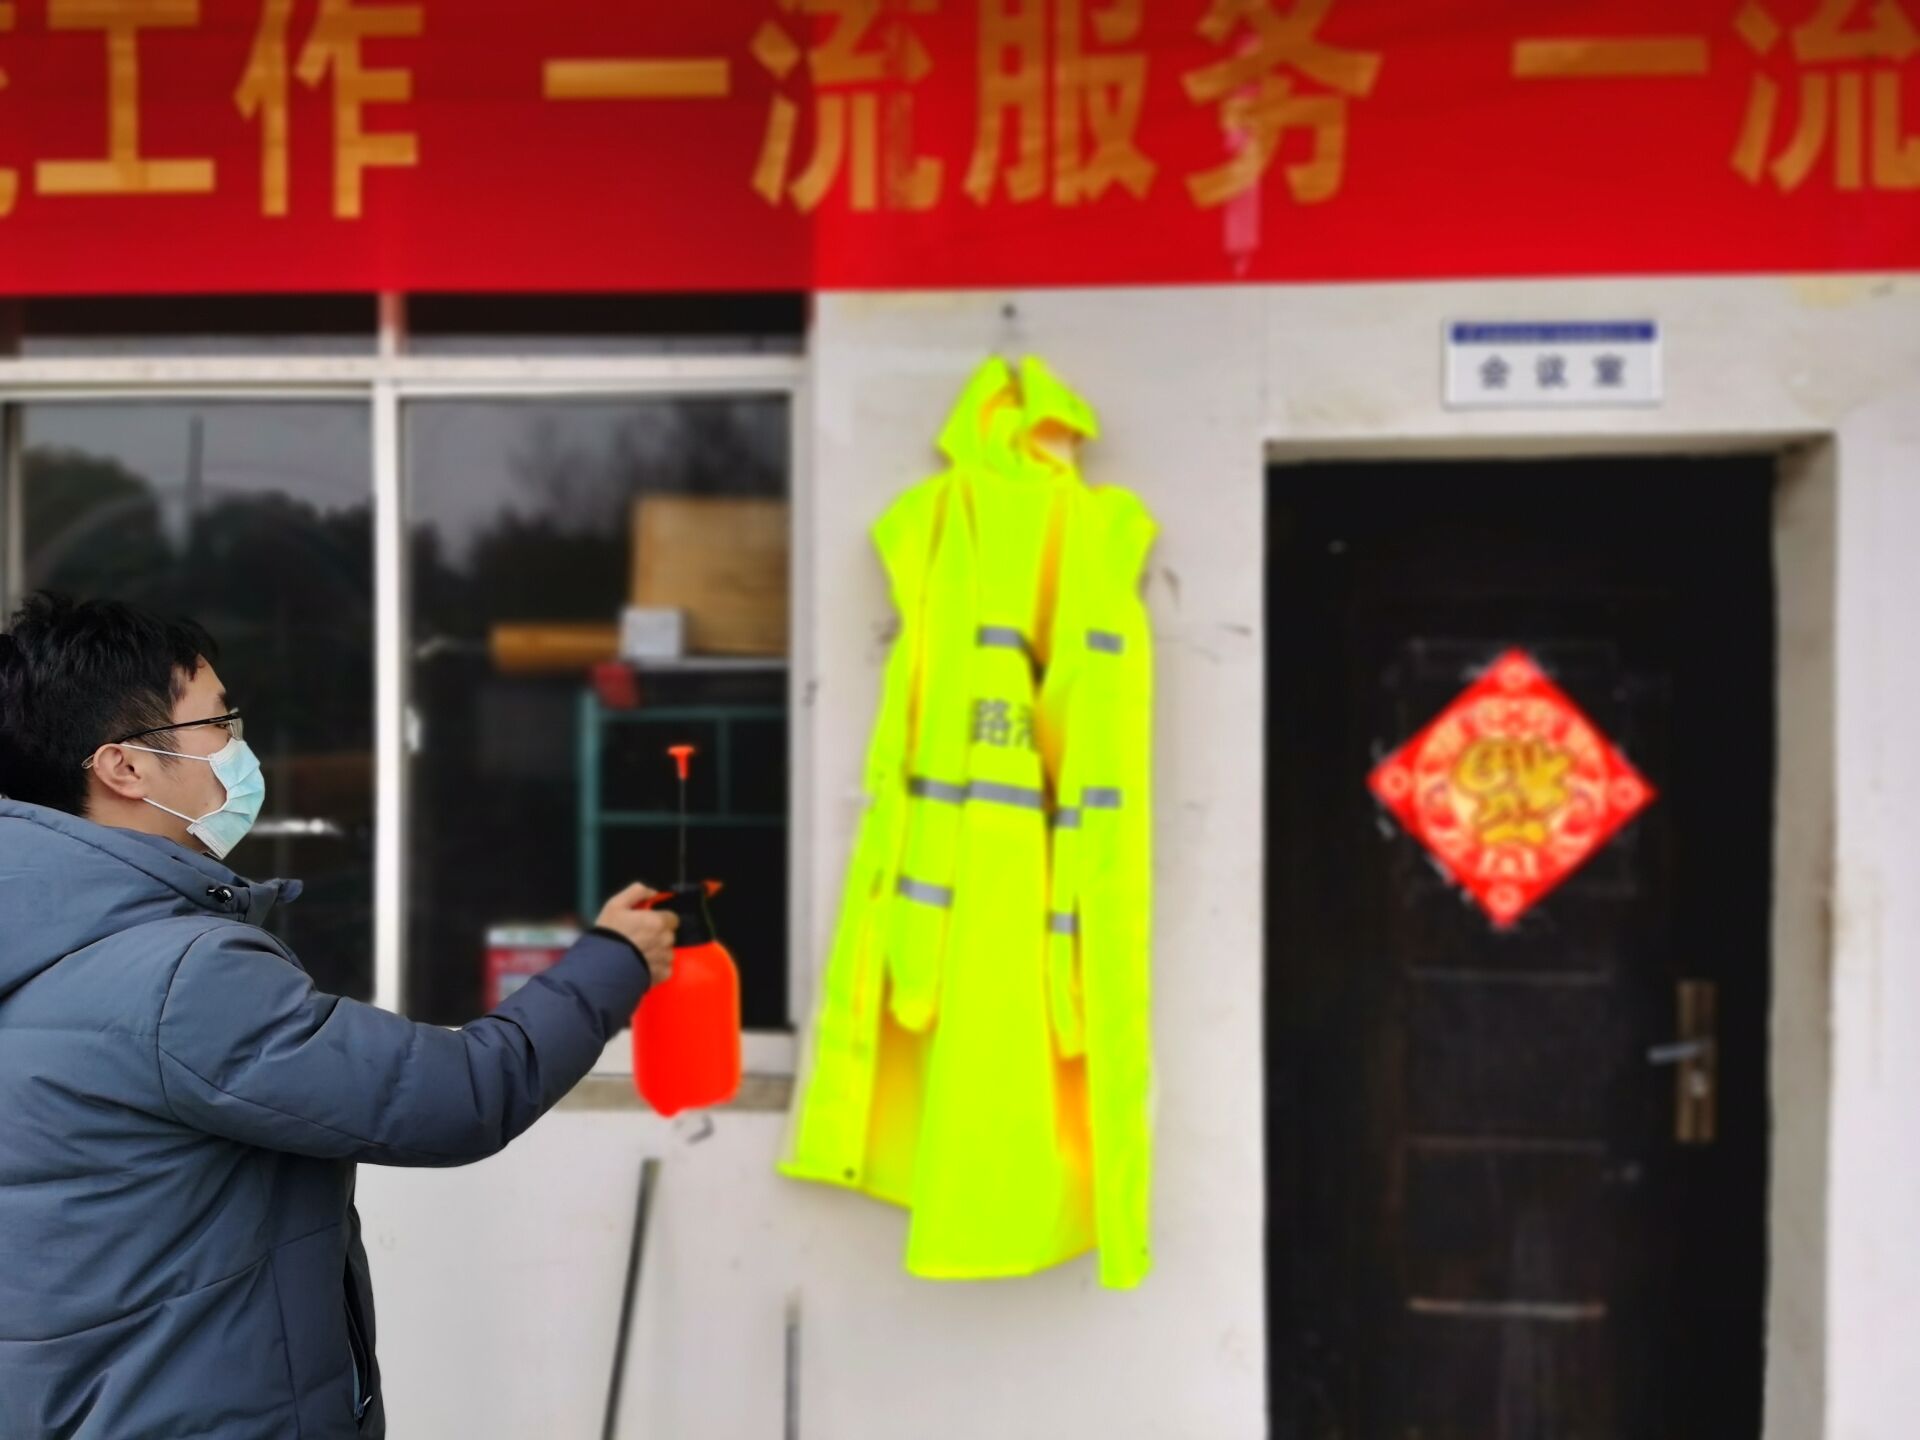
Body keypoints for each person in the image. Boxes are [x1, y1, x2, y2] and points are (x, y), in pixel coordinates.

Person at [0, 592, 678, 1438]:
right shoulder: (182, 979)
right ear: (124, 768)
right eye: (219, 723)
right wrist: (614, 960)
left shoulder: (35, 944)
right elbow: (462, 1094)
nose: (240, 749)